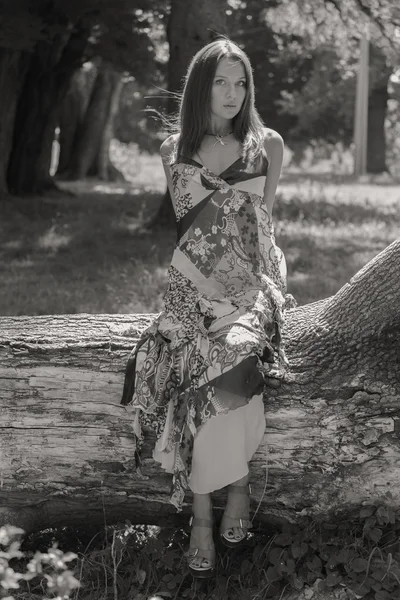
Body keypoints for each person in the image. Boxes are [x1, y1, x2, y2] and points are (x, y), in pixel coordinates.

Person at [121, 37, 293, 578]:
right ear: (201, 86)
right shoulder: (173, 149)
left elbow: (263, 230)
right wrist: (200, 295)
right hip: (190, 285)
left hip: (249, 286)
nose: (233, 93)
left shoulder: (268, 144)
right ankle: (217, 499)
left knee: (236, 349)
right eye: (220, 81)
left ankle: (212, 501)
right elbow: (189, 232)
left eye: (240, 82)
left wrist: (258, 291)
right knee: (193, 356)